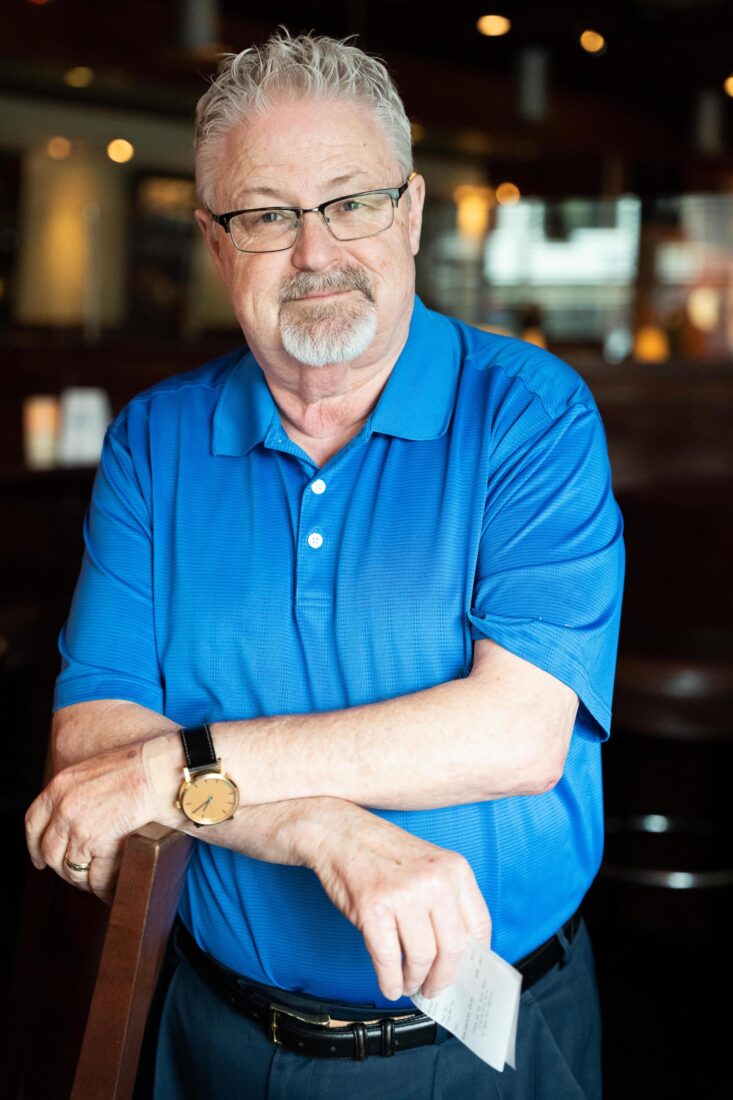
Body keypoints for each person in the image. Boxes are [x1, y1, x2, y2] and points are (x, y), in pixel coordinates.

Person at [25, 31, 624, 1099]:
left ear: (413, 212)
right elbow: (93, 740)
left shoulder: (528, 415)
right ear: (216, 244)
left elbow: (517, 732)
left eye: (351, 201)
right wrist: (318, 827)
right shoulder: (155, 443)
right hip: (209, 1031)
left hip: (484, 1044)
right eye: (266, 214)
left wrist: (178, 769)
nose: (315, 251)